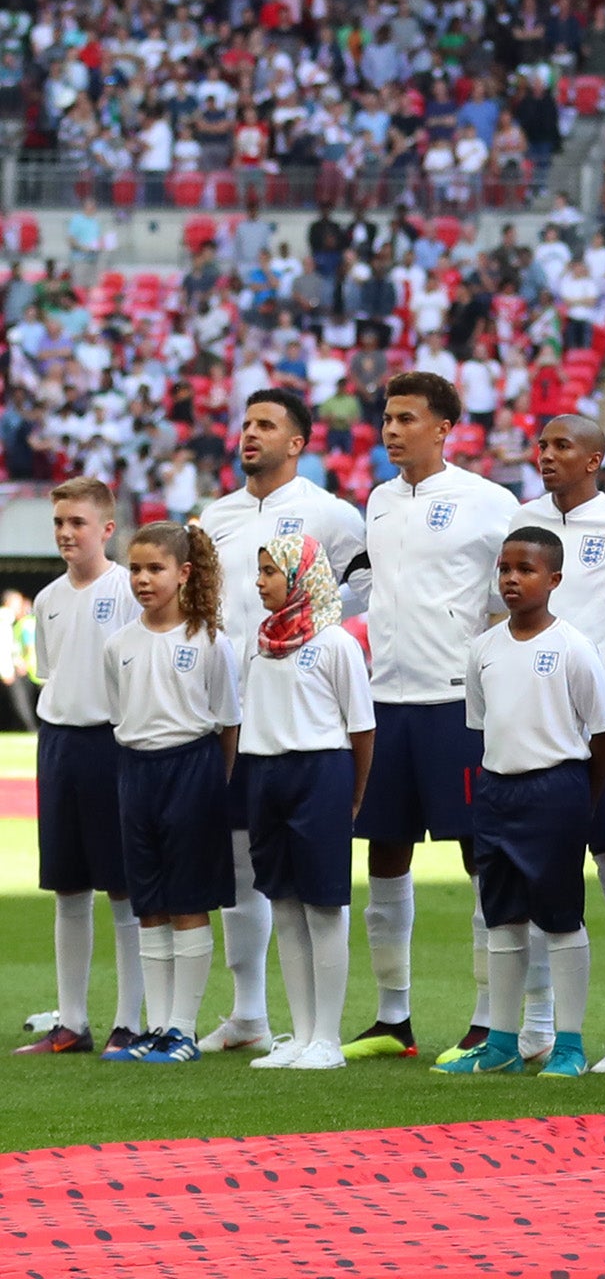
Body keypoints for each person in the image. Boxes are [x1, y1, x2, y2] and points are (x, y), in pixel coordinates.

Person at [347, 372, 519, 1062]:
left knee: (478, 854)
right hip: (386, 698)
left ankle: (486, 1016)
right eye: (387, 418)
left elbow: (516, 593)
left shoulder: (490, 501)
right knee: (385, 852)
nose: (391, 430)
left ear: (444, 427)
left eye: (406, 418)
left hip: (458, 701)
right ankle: (394, 1019)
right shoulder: (379, 500)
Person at [198, 387, 369, 1057]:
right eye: (244, 423)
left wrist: (320, 641)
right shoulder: (216, 516)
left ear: (297, 442)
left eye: (265, 425)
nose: (249, 434)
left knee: (315, 889)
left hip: (307, 709)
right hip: (238, 712)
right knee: (244, 868)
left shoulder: (330, 514)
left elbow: (365, 591)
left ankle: (322, 1028)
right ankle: (249, 1013)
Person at [503, 415, 605, 1076]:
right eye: (541, 445)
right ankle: (538, 1028)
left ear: (595, 457)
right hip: (537, 735)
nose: (546, 455)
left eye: (561, 446)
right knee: (541, 881)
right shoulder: (522, 520)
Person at [435, 528, 605, 1079]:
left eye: (526, 570)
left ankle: (568, 1044)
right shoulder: (483, 649)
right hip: (497, 791)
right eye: (506, 569)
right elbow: (481, 721)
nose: (512, 580)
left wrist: (579, 796)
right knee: (502, 920)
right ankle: (500, 1042)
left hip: (555, 789)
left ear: (554, 580)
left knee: (561, 919)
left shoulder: (572, 646)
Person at [101, 523, 240, 1065]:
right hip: (136, 772)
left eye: (155, 568)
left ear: (183, 574)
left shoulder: (208, 640)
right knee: (149, 904)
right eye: (135, 569)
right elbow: (120, 715)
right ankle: (155, 1028)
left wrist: (211, 782)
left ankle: (182, 1029)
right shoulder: (120, 645)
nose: (142, 579)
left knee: (187, 902)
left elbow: (228, 720)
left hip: (193, 769)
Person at [238, 536, 374, 1072]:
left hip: (320, 772)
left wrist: (355, 792)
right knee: (283, 904)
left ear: (300, 577)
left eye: (270, 571)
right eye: (260, 570)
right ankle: (299, 1034)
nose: (260, 581)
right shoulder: (259, 642)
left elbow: (361, 727)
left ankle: (327, 1038)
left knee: (323, 904)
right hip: (264, 773)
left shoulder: (335, 642)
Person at [17, 478, 142, 1059]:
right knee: (67, 885)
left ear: (108, 529)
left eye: (79, 523)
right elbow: (49, 672)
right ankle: (71, 1022)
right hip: (59, 744)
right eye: (59, 523)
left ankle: (129, 1021)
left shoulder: (128, 591)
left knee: (122, 887)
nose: (67, 532)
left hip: (112, 742)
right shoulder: (46, 599)